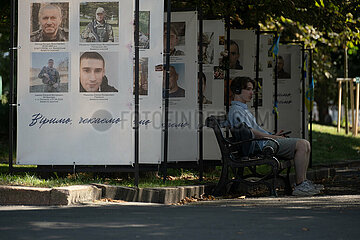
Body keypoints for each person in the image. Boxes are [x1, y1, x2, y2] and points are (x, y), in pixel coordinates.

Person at [228, 76, 324, 196]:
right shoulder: (236, 111)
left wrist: (272, 135)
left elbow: (253, 132)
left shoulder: (241, 109)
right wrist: (274, 138)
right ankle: (300, 185)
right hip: (262, 146)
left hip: (263, 142)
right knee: (302, 145)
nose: (252, 93)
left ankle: (303, 183)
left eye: (252, 89)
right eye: (248, 89)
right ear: (237, 91)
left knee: (305, 145)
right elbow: (252, 133)